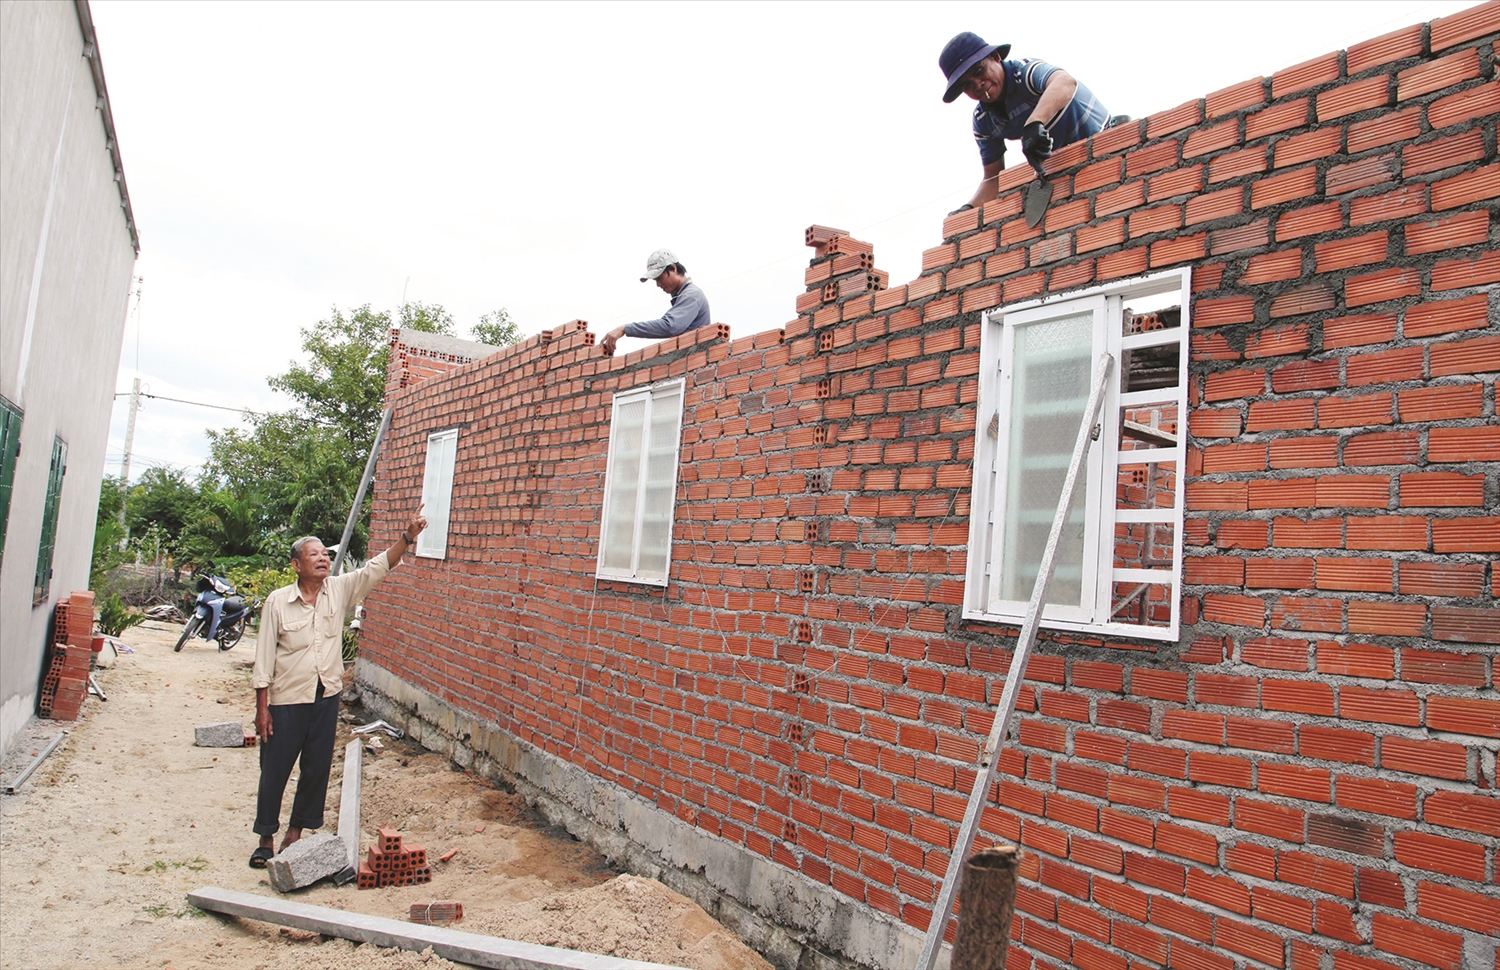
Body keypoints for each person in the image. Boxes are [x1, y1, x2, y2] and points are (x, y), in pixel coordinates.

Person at [248, 507, 427, 869]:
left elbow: (377, 567)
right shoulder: (278, 602)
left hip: (325, 696)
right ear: (296, 564)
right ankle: (266, 836)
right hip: (286, 699)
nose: (323, 559)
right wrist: (261, 708)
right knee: (275, 768)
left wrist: (407, 538)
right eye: (313, 555)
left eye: (325, 555)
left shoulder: (339, 590)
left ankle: (295, 833)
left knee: (316, 768)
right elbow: (264, 659)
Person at [939, 32, 1115, 211]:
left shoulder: (1024, 73)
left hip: (1106, 149)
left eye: (979, 71)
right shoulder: (983, 120)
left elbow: (1065, 82)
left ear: (995, 57)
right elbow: (994, 179)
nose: (978, 84)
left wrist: (1035, 123)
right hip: (1068, 175)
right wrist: (968, 211)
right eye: (967, 84)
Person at [599, 249, 711, 357]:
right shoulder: (682, 295)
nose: (658, 285)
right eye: (655, 281)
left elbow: (670, 326)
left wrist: (625, 328)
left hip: (696, 362)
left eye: (659, 278)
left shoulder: (691, 295)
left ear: (673, 268)